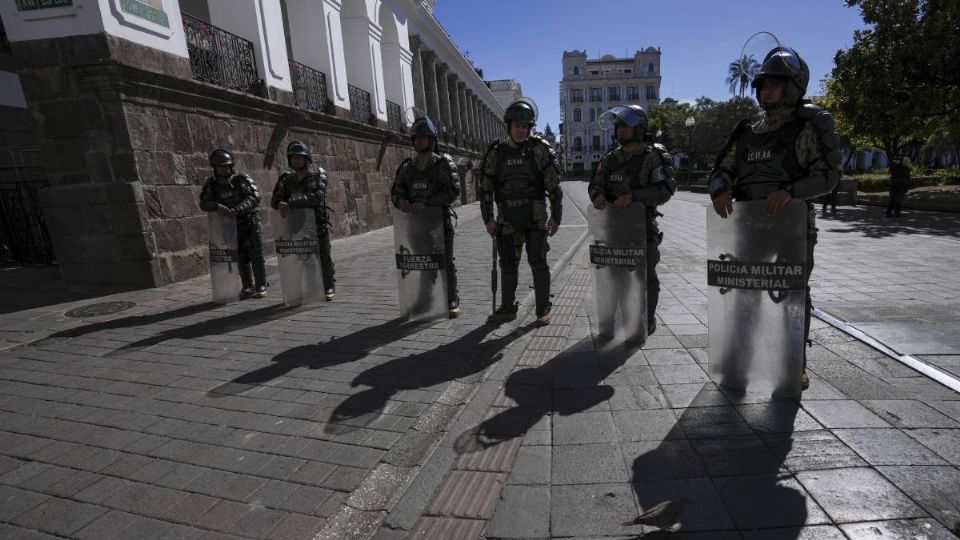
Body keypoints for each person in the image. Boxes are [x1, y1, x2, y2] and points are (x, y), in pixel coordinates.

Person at [707, 46, 842, 390]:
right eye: (762, 84)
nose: (765, 90)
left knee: (791, 298)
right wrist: (720, 189)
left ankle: (793, 364)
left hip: (790, 229)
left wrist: (791, 192)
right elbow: (721, 169)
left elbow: (828, 175)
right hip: (750, 228)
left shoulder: (809, 125)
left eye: (775, 83)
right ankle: (739, 360)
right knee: (744, 296)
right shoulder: (747, 130)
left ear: (794, 85)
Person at [588, 105, 676, 334]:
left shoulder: (652, 155)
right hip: (614, 229)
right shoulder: (610, 158)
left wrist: (634, 197)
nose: (620, 130)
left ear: (638, 128)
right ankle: (619, 319)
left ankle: (646, 320)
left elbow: (666, 188)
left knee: (646, 278)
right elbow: (596, 183)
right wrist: (597, 195)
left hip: (643, 227)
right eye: (618, 126)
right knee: (615, 277)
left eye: (625, 125)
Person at [480, 97, 563, 325]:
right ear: (509, 126)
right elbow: (485, 188)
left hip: (535, 217)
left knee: (538, 262)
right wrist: (488, 218)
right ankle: (507, 308)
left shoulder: (539, 150)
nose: (521, 130)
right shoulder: (496, 153)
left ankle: (542, 309)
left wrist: (556, 216)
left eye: (525, 126)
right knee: (508, 265)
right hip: (506, 218)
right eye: (517, 125)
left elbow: (554, 186)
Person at [391, 115, 462, 318]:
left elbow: (452, 191)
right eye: (418, 138)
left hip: (438, 222)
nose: (421, 141)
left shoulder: (443, 164)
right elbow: (396, 191)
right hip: (415, 225)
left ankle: (451, 299)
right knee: (422, 262)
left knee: (445, 262)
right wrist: (402, 202)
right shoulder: (408, 167)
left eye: (424, 138)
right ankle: (425, 300)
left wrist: (427, 203)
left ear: (432, 140)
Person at [271, 141, 336, 301]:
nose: (296, 161)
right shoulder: (286, 180)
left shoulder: (317, 175)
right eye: (293, 158)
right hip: (296, 226)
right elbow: (276, 199)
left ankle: (328, 285)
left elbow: (316, 196)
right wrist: (280, 203)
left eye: (300, 158)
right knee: (301, 258)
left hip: (316, 224)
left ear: (307, 159)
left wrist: (291, 203)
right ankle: (307, 287)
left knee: (323, 256)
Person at [199, 149, 267, 298]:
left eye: (226, 166)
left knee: (256, 254)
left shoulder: (241, 180)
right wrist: (217, 206)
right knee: (240, 256)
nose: (224, 169)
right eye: (220, 167)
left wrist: (237, 209)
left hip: (249, 222)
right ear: (215, 168)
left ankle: (261, 283)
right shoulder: (212, 185)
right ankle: (247, 286)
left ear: (231, 166)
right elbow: (204, 203)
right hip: (230, 226)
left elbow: (254, 197)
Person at [886, 153, 912, 217]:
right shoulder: (904, 163)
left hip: (893, 182)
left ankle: (888, 212)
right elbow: (910, 167)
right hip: (901, 183)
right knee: (899, 198)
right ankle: (897, 213)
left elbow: (891, 171)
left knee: (892, 198)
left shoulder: (893, 163)